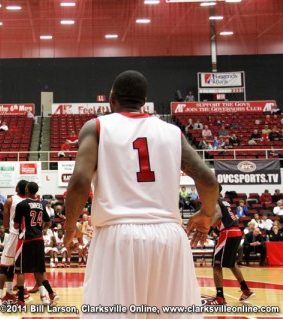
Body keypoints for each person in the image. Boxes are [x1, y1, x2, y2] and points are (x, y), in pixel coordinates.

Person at [64, 70, 219, 318]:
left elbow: (80, 181)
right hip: (169, 236)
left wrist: (70, 226)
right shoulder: (172, 132)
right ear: (144, 101)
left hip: (118, 235)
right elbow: (208, 180)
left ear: (112, 99)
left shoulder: (97, 127)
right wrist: (206, 213)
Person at [206, 185, 255, 305]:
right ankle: (246, 290)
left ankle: (220, 297)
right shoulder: (224, 201)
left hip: (228, 233)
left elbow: (218, 216)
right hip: (236, 232)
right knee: (232, 263)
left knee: (216, 265)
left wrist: (209, 229)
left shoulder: (215, 199)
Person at [13, 182, 58, 306]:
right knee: (39, 270)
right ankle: (51, 293)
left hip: (26, 240)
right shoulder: (40, 205)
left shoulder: (21, 204)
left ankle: (21, 300)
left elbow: (16, 225)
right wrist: (39, 229)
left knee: (20, 270)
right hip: (39, 239)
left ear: (27, 190)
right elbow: (48, 223)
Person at [0, 180, 29, 308]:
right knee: (19, 268)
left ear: (18, 188)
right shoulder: (32, 201)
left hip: (14, 235)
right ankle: (14, 294)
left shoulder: (10, 200)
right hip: (27, 236)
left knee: (3, 267)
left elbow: (6, 224)